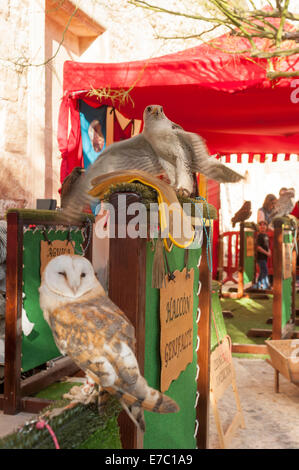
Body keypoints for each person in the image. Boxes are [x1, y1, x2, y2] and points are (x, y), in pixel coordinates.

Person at [255, 220, 271, 290]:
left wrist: (269, 251)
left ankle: (257, 286)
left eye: (264, 225)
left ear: (266, 227)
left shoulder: (266, 235)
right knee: (265, 271)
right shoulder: (259, 236)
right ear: (259, 227)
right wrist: (267, 253)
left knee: (262, 272)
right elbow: (258, 247)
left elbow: (267, 246)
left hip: (265, 257)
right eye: (261, 225)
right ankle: (265, 286)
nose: (262, 226)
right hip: (260, 257)